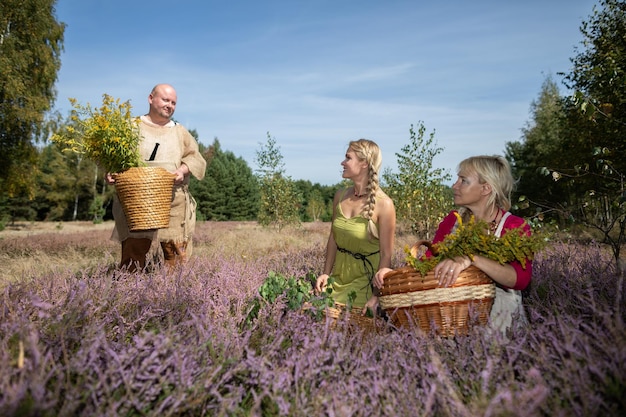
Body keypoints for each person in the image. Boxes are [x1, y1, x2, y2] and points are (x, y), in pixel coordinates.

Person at [106, 84, 206, 271]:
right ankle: (127, 294)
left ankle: (174, 296)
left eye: (174, 102)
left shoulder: (179, 131)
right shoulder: (131, 127)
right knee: (132, 255)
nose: (170, 105)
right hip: (136, 202)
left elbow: (195, 158)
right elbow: (112, 158)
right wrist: (111, 172)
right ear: (151, 98)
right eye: (165, 100)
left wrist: (182, 170)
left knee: (176, 254)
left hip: (173, 201)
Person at [429, 155, 532, 334]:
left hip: (501, 331)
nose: (455, 186)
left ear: (486, 188)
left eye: (463, 181)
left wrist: (472, 259)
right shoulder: (452, 222)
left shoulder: (514, 226)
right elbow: (427, 262)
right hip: (453, 327)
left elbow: (520, 279)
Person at [315, 139, 396, 316]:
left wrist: (376, 296)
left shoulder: (385, 205)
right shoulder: (340, 196)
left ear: (364, 163)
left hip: (365, 284)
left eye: (348, 158)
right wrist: (325, 274)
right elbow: (333, 239)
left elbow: (386, 255)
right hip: (336, 281)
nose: (342, 163)